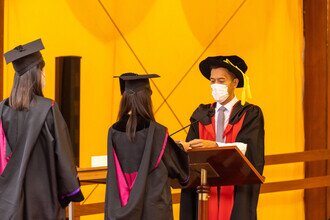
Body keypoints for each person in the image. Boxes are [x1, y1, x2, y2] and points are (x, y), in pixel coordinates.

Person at [0, 39, 84, 219]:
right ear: (37, 74)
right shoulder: (49, 109)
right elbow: (63, 158)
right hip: (44, 201)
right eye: (43, 71)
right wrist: (70, 191)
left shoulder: (1, 111)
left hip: (9, 202)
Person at [180, 55, 265, 220]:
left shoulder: (250, 114)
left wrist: (214, 145)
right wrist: (184, 147)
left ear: (234, 83)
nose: (216, 86)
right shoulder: (201, 114)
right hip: (205, 186)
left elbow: (249, 149)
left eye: (221, 80)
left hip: (235, 188)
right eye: (212, 81)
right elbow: (191, 153)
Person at [105, 73, 190, 220]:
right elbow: (180, 171)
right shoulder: (157, 132)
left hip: (119, 208)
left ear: (124, 98)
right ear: (147, 99)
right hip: (152, 210)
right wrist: (181, 148)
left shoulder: (113, 132)